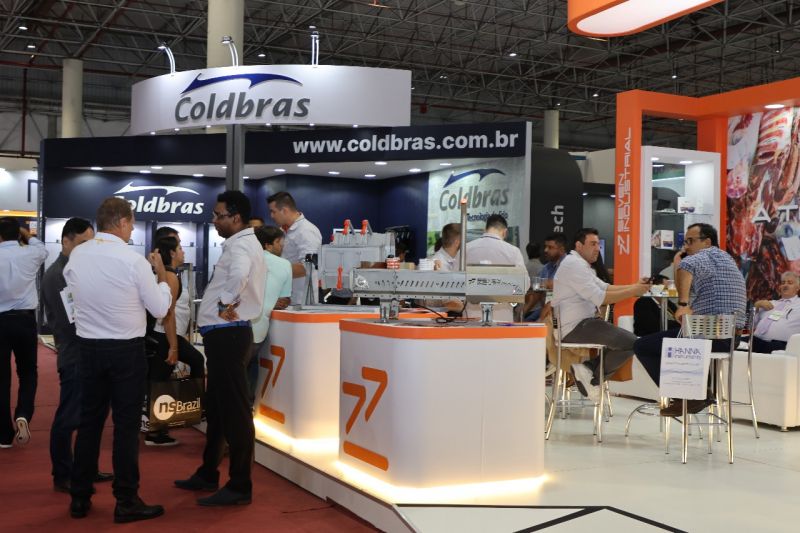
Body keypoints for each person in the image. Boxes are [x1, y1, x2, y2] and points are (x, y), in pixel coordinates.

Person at [64, 198, 171, 523]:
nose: (133, 229)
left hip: (88, 348)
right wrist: (163, 279)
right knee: (125, 427)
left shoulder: (78, 254)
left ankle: (79, 497)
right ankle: (126, 500)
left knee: (89, 422)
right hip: (126, 351)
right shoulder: (133, 260)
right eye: (132, 223)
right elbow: (159, 308)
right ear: (122, 222)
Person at [175, 191, 265, 507]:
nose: (214, 220)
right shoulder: (241, 243)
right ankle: (208, 472)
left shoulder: (241, 246)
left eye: (219, 215)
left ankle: (240, 485)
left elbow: (239, 275)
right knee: (217, 409)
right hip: (223, 336)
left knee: (236, 412)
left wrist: (225, 303)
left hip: (228, 336)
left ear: (235, 217)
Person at [633, 223, 746, 415]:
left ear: (707, 242)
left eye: (690, 241)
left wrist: (683, 304)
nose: (686, 247)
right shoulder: (726, 260)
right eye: (684, 242)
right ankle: (695, 393)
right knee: (674, 337)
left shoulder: (705, 256)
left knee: (642, 346)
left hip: (710, 335)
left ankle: (689, 395)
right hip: (730, 337)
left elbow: (686, 267)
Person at [41, 218, 114, 492]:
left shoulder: (78, 269)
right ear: (66, 241)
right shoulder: (58, 275)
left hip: (91, 353)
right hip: (75, 356)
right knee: (68, 418)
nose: (87, 249)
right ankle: (63, 474)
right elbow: (71, 321)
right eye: (83, 243)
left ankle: (86, 469)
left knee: (91, 418)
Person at [552, 228, 650, 402]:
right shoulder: (574, 265)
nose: (597, 248)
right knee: (632, 343)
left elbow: (605, 287)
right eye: (592, 244)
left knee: (630, 342)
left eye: (598, 244)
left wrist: (634, 287)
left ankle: (588, 371)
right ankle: (592, 377)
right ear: (579, 245)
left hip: (584, 324)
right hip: (576, 327)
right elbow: (601, 297)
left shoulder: (580, 265)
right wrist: (634, 290)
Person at [145, 236, 205, 446]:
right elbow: (167, 314)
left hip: (166, 335)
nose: (183, 251)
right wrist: (174, 346)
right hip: (165, 336)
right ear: (171, 253)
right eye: (180, 248)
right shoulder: (170, 277)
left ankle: (159, 428)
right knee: (160, 382)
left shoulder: (169, 275)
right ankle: (156, 432)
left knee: (160, 380)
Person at [0, 217, 48, 448]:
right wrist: (26, 234)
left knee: (1, 378)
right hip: (25, 320)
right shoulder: (30, 253)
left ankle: (3, 435)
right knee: (28, 372)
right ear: (18, 233)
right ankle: (23, 414)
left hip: (0, 321)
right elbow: (42, 248)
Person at [248, 226, 293, 407]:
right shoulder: (284, 265)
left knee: (234, 371)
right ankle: (246, 408)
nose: (282, 246)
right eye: (279, 243)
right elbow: (284, 300)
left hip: (234, 324)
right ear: (268, 245)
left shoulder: (244, 259)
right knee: (249, 366)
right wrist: (271, 301)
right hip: (258, 329)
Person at [464, 215, 528, 321]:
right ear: (505, 232)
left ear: (485, 229)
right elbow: (524, 284)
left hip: (471, 314)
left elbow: (454, 280)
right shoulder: (513, 251)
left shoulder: (466, 248)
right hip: (502, 315)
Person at [267, 192, 321, 305]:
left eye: (273, 212)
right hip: (283, 299)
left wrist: (272, 270)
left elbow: (307, 267)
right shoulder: (282, 231)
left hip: (300, 302)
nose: (271, 216)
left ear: (284, 210)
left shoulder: (307, 231)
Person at [750, 271, 800, 353]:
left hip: (779, 346)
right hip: (754, 341)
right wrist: (756, 306)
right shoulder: (769, 303)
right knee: (731, 342)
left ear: (797, 288)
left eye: (790, 283)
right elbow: (750, 324)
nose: (785, 285)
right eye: (783, 283)